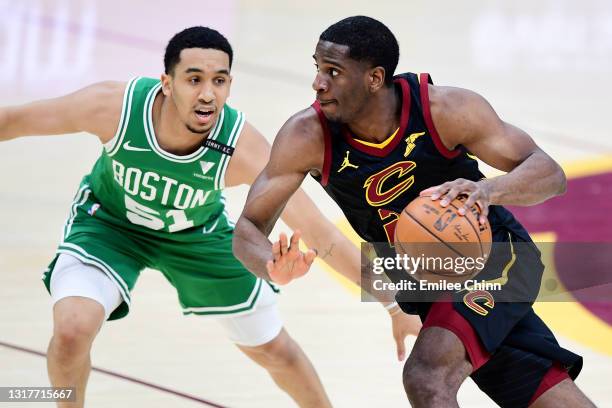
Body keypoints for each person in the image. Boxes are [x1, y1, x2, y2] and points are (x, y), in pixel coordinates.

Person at [0, 26, 420, 408]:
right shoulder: (113, 107)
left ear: (229, 86)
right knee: (72, 331)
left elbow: (321, 235)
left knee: (276, 352)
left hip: (197, 237)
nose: (207, 94)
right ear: (166, 83)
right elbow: (13, 121)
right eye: (194, 79)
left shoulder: (241, 148)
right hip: (109, 226)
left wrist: (394, 305)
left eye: (219, 81)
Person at [233, 16, 595, 408]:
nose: (318, 83)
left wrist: (487, 190)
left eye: (333, 72)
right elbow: (248, 228)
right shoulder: (307, 135)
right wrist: (269, 264)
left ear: (374, 78)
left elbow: (548, 173)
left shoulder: (445, 109)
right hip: (425, 285)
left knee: (427, 377)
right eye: (318, 69)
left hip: (496, 259)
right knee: (537, 387)